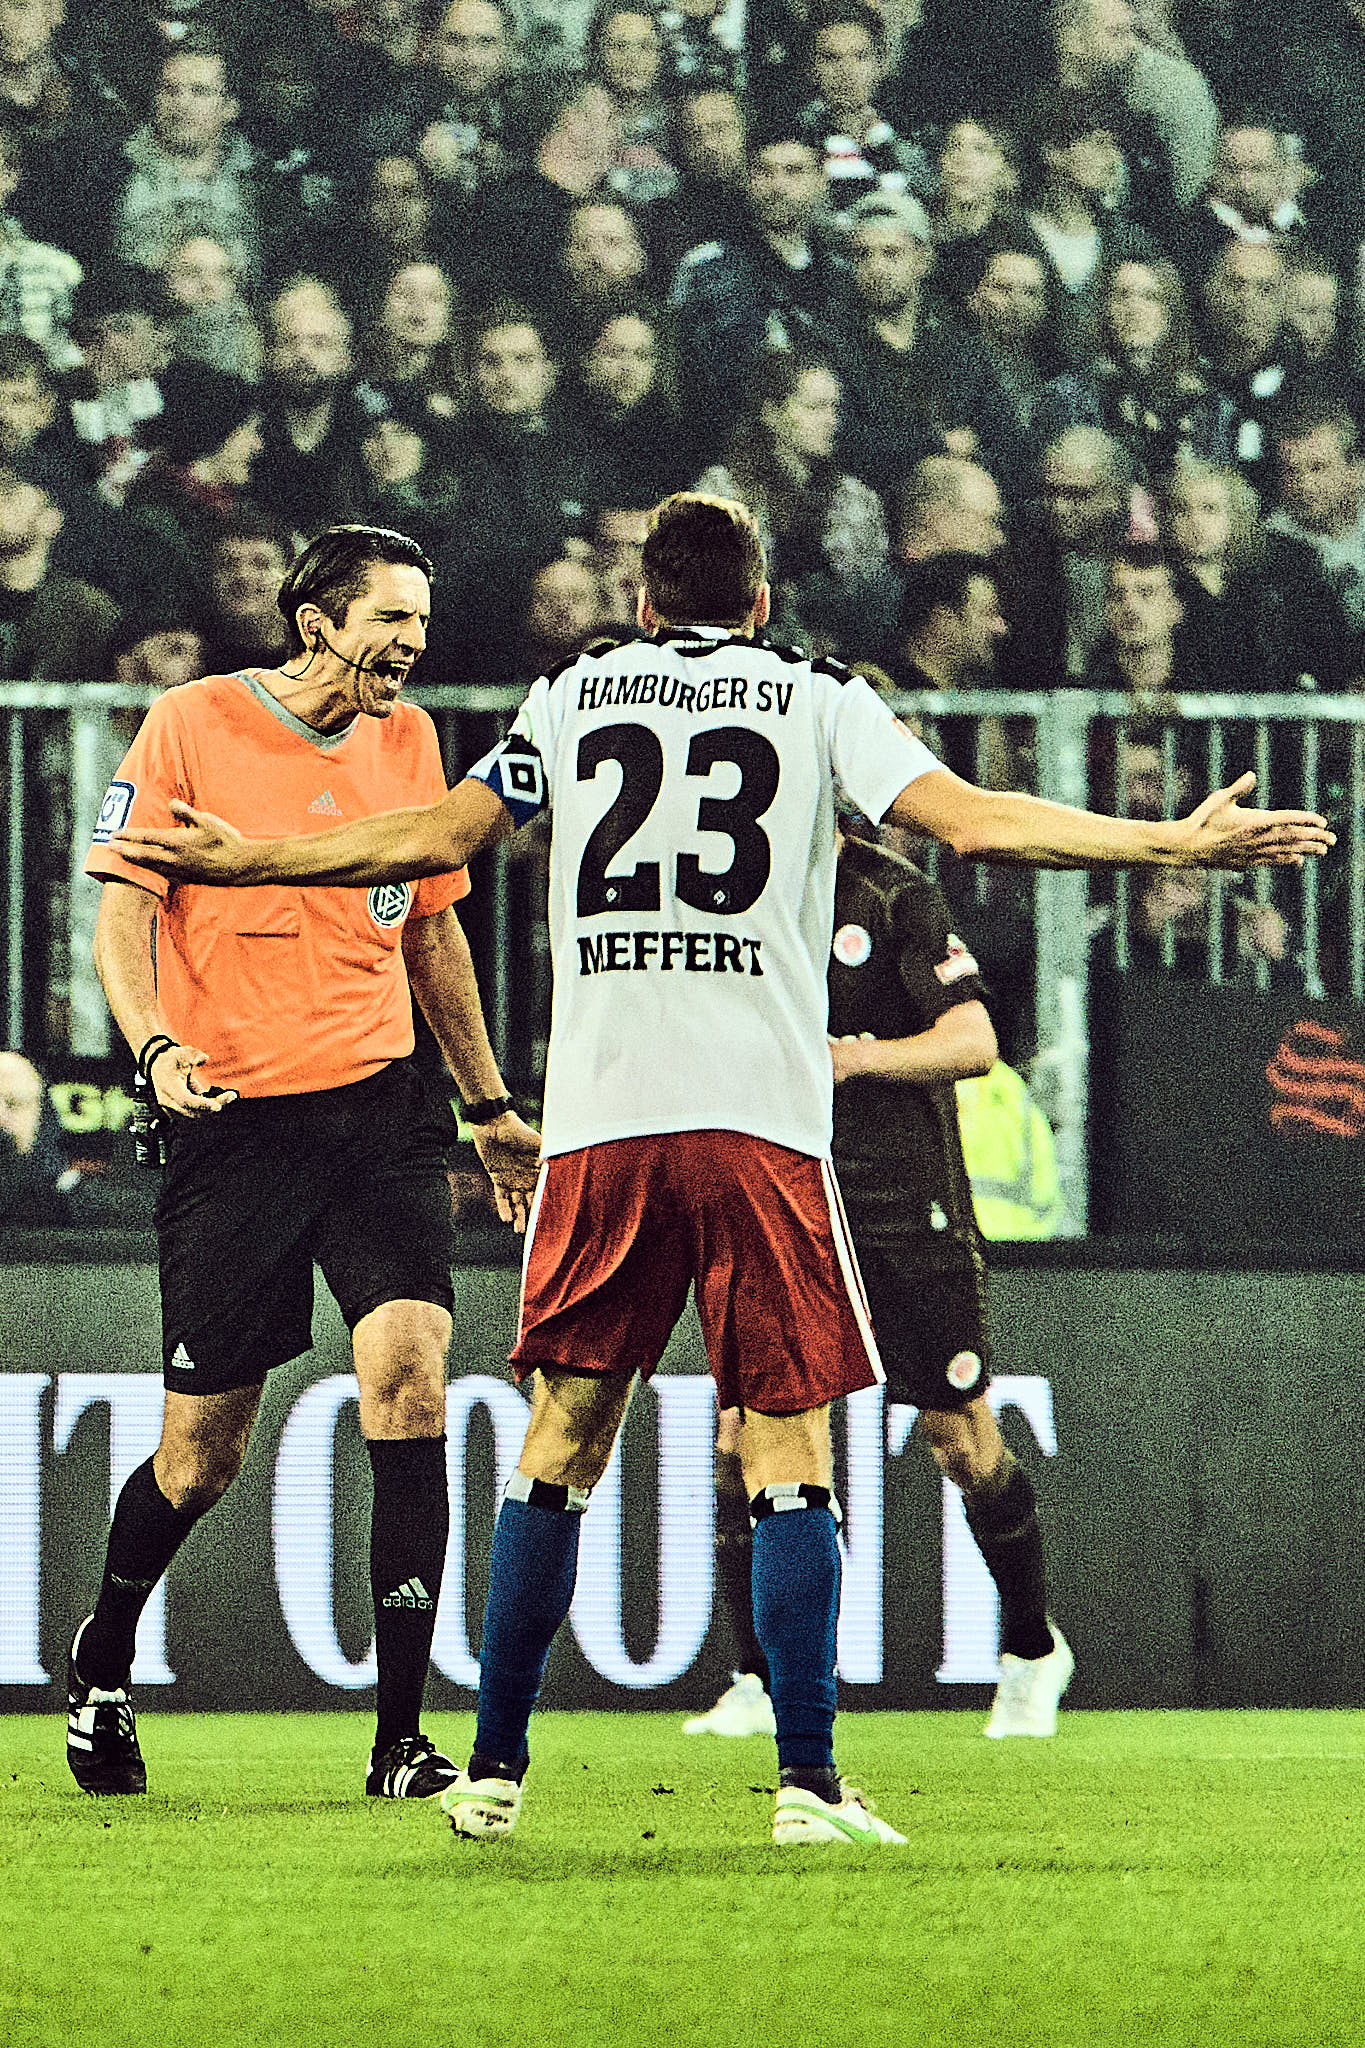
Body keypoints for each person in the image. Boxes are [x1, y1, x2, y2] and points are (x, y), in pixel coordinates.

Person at [110, 492, 1332, 1847]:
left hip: (604, 1125)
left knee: (560, 1443)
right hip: (757, 1120)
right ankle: (807, 1784)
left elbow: (436, 840)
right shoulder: (815, 694)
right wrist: (1173, 841)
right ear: (759, 604)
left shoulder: (574, 691)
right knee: (790, 1447)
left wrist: (253, 859)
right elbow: (974, 822)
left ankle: (493, 1770)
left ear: (642, 603)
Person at [69, 523, 541, 1803]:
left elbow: (432, 934)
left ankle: (401, 1739)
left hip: (380, 1113)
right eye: (391, 618)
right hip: (236, 1121)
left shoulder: (410, 739)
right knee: (200, 1458)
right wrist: (154, 1045)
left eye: (422, 621)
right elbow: (122, 911)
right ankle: (103, 1657)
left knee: (412, 1375)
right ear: (317, 621)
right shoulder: (193, 723)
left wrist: (488, 1102)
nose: (413, 643)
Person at [684, 818, 1073, 1743]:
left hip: (903, 1202)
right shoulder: (730, 886)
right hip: (781, 1192)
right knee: (743, 1433)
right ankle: (759, 1676)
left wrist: (854, 1056)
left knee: (958, 1438)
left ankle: (1030, 1649)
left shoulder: (894, 895)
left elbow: (973, 1042)